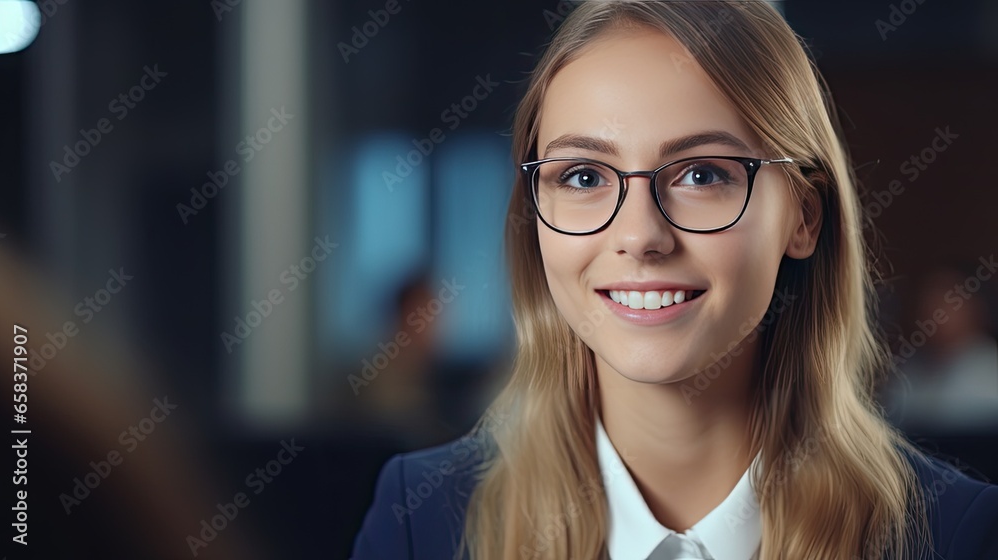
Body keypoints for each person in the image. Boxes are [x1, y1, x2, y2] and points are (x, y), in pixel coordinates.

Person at [351, 2, 998, 559]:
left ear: (803, 216)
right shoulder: (425, 523)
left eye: (702, 175)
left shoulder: (952, 535)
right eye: (582, 177)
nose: (639, 236)